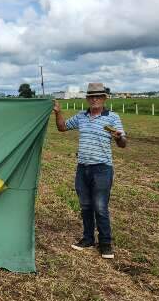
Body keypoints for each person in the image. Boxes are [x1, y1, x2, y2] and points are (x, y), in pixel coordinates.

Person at [52, 82, 127, 259]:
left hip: (102, 169)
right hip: (82, 168)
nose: (94, 99)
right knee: (85, 206)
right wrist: (58, 112)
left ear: (103, 99)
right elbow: (62, 127)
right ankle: (87, 239)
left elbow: (123, 144)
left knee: (100, 207)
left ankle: (106, 244)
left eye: (98, 96)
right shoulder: (81, 116)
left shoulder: (112, 117)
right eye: (91, 96)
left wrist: (118, 138)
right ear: (87, 99)